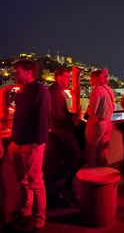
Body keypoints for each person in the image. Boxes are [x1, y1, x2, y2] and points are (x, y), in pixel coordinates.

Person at [7, 59, 51, 232]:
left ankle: (40, 220)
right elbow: (18, 119)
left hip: (32, 144)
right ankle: (26, 210)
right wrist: (13, 141)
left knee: (36, 183)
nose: (14, 74)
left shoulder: (40, 91)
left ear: (28, 71)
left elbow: (43, 119)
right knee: (23, 181)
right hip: (18, 143)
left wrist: (36, 143)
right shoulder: (21, 93)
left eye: (17, 71)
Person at [47, 68, 84, 202]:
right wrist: (72, 120)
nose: (69, 79)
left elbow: (63, 112)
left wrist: (73, 116)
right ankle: (65, 187)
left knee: (70, 156)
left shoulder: (56, 90)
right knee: (75, 155)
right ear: (58, 77)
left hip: (60, 128)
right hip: (60, 129)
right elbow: (58, 115)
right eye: (66, 77)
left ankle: (65, 185)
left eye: (69, 76)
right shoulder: (55, 91)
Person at [85, 69, 114, 167]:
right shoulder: (109, 89)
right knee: (103, 151)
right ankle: (103, 171)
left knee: (91, 150)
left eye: (91, 78)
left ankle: (93, 174)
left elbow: (93, 111)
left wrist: (87, 110)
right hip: (108, 123)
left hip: (98, 125)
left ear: (96, 79)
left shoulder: (97, 91)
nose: (90, 81)